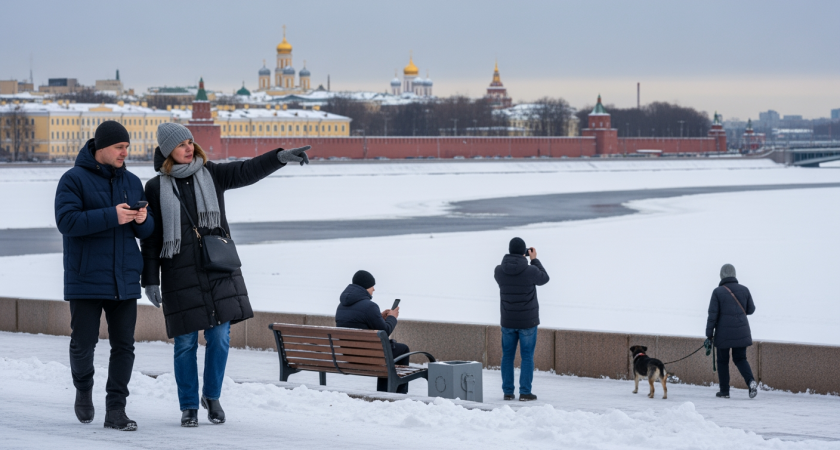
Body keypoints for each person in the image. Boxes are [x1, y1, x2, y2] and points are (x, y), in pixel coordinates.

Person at [140, 122, 310, 427]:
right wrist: (150, 279)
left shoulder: (212, 173)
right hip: (179, 275)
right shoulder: (155, 188)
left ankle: (213, 396)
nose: (189, 148)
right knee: (185, 344)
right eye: (181, 145)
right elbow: (151, 239)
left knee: (220, 337)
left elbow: (246, 170)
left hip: (217, 269)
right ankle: (189, 405)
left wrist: (279, 157)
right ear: (168, 151)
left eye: (190, 142)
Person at [54, 120, 154, 431]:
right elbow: (67, 222)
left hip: (124, 277)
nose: (126, 152)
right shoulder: (72, 180)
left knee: (124, 346)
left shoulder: (133, 181)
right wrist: (113, 215)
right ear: (101, 148)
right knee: (83, 344)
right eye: (119, 147)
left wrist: (142, 219)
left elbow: (146, 232)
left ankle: (116, 410)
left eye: (127, 147)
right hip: (86, 278)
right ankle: (84, 388)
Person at [335, 270, 410, 394]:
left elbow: (358, 322)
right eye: (372, 286)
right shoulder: (370, 306)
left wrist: (379, 317)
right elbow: (385, 332)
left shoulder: (341, 306)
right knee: (402, 349)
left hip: (348, 355)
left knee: (386, 352)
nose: (374, 289)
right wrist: (392, 317)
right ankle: (396, 394)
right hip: (369, 357)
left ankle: (384, 392)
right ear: (365, 287)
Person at [494, 237, 549, 401]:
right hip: (528, 322)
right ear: (523, 252)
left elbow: (510, 273)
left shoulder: (498, 271)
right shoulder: (531, 271)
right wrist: (534, 260)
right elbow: (544, 278)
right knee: (527, 357)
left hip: (508, 321)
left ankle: (508, 392)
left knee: (507, 356)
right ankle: (525, 392)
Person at [706, 263, 758, 399]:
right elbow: (751, 310)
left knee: (723, 361)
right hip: (741, 331)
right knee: (740, 358)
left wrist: (709, 335)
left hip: (723, 334)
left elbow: (712, 315)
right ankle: (751, 381)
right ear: (734, 274)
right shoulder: (744, 289)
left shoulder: (717, 292)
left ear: (721, 275)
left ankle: (724, 391)